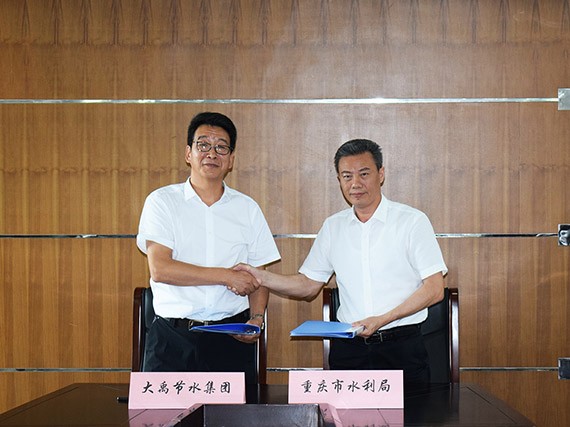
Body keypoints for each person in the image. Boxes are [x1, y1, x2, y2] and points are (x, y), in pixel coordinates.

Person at [237, 138, 447, 384]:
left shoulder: (411, 221)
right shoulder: (333, 227)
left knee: (412, 411)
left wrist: (382, 320)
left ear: (381, 174)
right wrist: (261, 276)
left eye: (364, 174)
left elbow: (435, 289)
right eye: (347, 176)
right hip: (350, 350)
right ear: (339, 180)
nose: (355, 183)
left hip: (401, 347)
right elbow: (308, 285)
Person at [136, 112, 280, 384]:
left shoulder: (247, 208)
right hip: (172, 340)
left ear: (231, 159)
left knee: (234, 411)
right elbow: (161, 269)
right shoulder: (162, 201)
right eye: (203, 145)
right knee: (165, 411)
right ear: (188, 153)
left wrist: (256, 318)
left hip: (230, 339)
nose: (212, 153)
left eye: (221, 147)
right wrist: (226, 276)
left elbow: (259, 275)